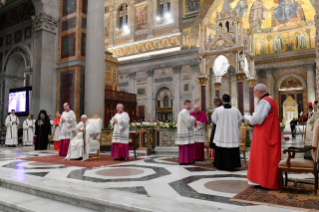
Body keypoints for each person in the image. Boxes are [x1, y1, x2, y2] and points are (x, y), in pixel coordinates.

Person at [246, 84, 281, 190]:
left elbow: (257, 119)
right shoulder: (270, 100)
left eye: (255, 92)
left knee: (264, 157)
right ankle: (261, 180)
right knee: (264, 157)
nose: (255, 95)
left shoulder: (264, 101)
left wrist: (248, 118)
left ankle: (265, 181)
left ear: (259, 91)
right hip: (267, 132)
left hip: (265, 134)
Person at [212, 94, 242, 170]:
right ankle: (232, 165)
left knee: (221, 148)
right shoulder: (235, 110)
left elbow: (214, 120)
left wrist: (220, 124)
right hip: (232, 134)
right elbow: (239, 120)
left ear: (222, 100)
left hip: (221, 133)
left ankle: (220, 165)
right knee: (231, 149)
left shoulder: (218, 110)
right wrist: (234, 126)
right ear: (230, 100)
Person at [176, 100, 196, 165]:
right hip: (185, 131)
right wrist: (193, 118)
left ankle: (186, 160)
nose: (191, 106)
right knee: (185, 146)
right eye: (190, 104)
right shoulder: (185, 111)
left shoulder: (182, 111)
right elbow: (188, 122)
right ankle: (185, 161)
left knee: (185, 147)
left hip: (182, 131)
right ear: (187, 104)